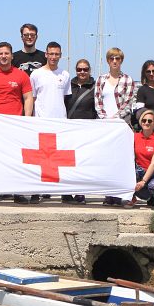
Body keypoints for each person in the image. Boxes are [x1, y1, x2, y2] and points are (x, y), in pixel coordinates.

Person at [0, 41, 35, 203]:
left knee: (16, 159)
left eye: (6, 54)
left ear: (12, 56)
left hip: (14, 124)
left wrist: (27, 119)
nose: (3, 56)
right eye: (0, 54)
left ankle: (18, 192)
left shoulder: (21, 75)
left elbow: (28, 97)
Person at [94, 47, 135, 205]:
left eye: (117, 58)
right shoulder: (101, 80)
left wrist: (115, 118)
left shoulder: (128, 79)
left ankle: (119, 194)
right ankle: (108, 194)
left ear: (121, 60)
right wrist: (105, 119)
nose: (115, 61)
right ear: (108, 61)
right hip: (105, 125)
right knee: (106, 160)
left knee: (120, 160)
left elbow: (128, 102)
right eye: (112, 58)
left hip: (121, 125)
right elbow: (98, 101)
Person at [63, 58, 96, 203]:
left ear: (90, 70)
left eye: (85, 69)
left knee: (83, 163)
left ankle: (81, 192)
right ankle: (66, 192)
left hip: (86, 131)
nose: (82, 72)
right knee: (67, 163)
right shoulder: (68, 86)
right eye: (79, 69)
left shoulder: (95, 87)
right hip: (69, 130)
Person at [126, 109, 154, 209]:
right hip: (140, 170)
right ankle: (131, 198)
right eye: (144, 120)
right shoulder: (134, 137)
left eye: (150, 121)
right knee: (126, 176)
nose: (146, 123)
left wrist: (143, 181)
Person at [30, 42, 71, 119]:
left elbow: (65, 98)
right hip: (41, 119)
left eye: (57, 54)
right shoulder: (36, 74)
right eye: (51, 54)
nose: (54, 57)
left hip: (60, 119)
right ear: (46, 54)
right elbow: (32, 98)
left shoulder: (65, 74)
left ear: (60, 55)